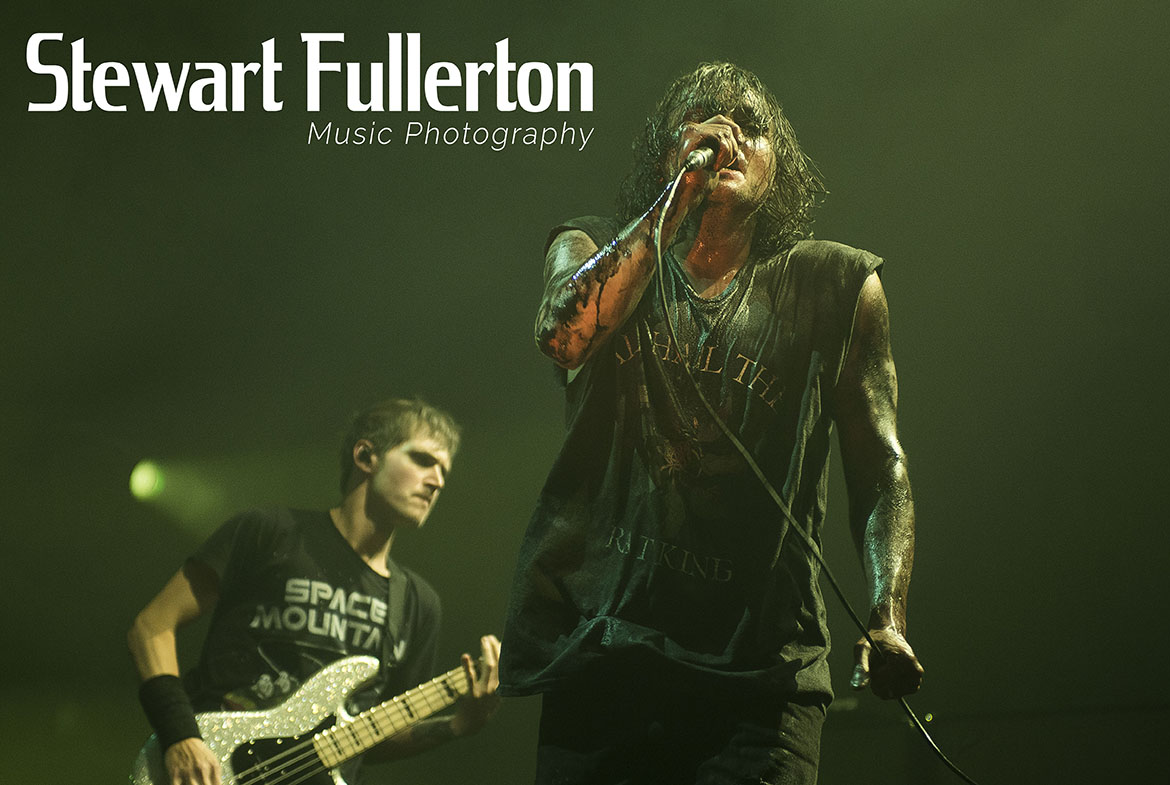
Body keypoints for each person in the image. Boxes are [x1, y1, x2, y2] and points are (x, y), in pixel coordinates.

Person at [499, 62, 924, 784]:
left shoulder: (834, 285)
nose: (727, 136)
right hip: (604, 655)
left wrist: (888, 615)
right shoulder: (591, 245)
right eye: (700, 125)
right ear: (667, 156)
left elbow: (880, 465)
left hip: (760, 682)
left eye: (750, 127)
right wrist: (679, 198)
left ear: (778, 164)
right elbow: (563, 335)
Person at [128, 397, 502, 785]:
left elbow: (375, 738)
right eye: (423, 460)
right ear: (366, 456)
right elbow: (152, 627)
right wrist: (181, 737)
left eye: (444, 470)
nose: (437, 481)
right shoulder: (270, 532)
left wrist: (456, 725)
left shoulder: (417, 604)